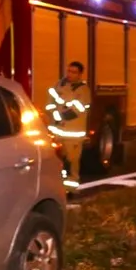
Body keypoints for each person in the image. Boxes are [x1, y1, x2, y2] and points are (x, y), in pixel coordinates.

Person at [44, 61, 91, 191]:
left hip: (73, 134)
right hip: (57, 132)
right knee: (57, 161)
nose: (70, 74)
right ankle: (58, 186)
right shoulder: (59, 85)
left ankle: (70, 189)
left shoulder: (83, 90)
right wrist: (53, 113)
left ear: (80, 74)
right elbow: (49, 103)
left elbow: (77, 110)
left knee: (71, 162)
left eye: (74, 72)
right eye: (69, 71)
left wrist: (59, 116)